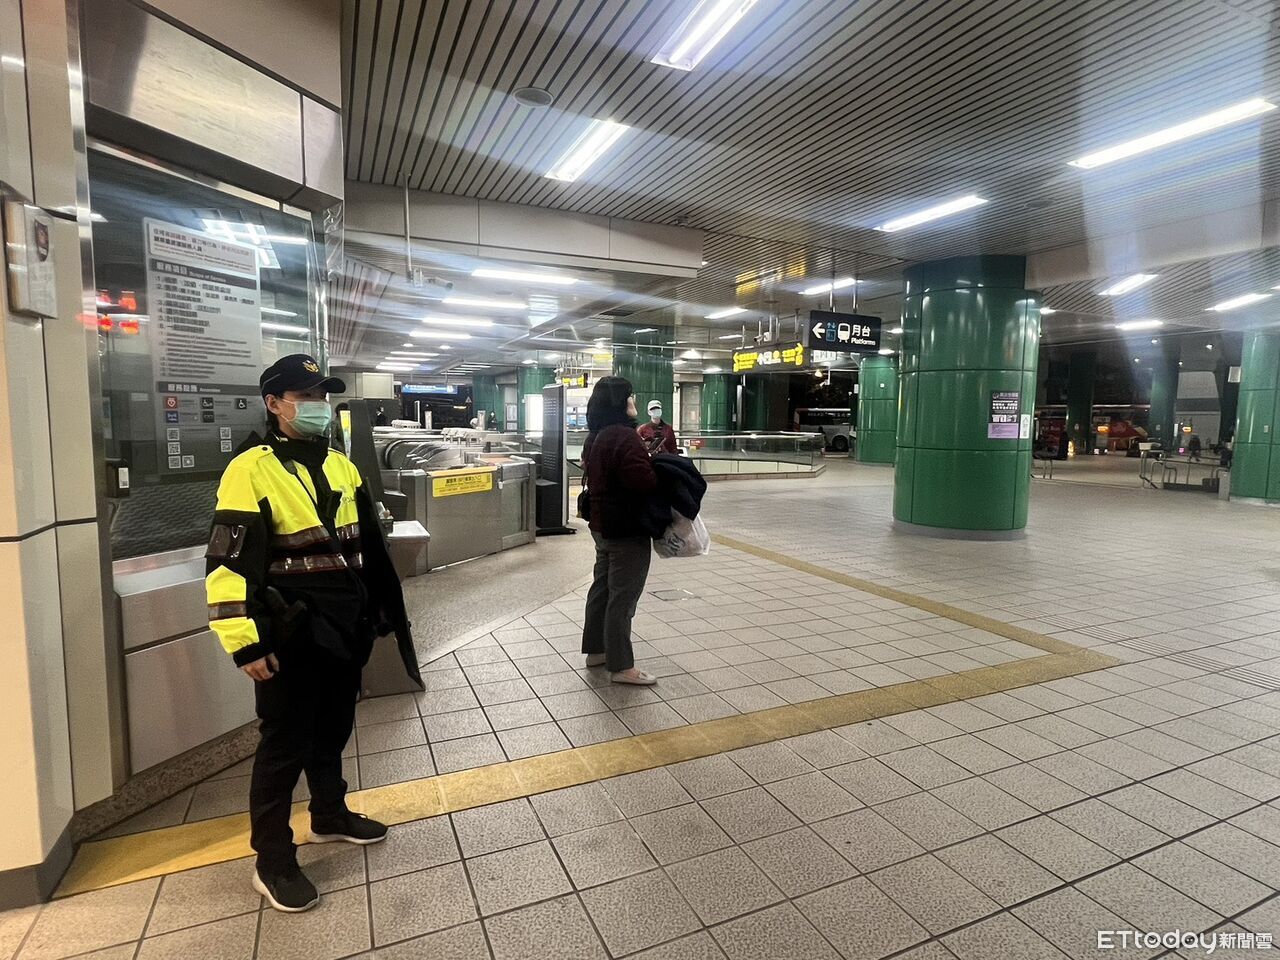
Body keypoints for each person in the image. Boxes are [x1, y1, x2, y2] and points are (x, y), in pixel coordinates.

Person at [205, 354, 420, 913]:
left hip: (342, 631)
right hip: (290, 636)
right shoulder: (249, 469)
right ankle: (273, 860)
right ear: (274, 404)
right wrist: (245, 642)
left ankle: (328, 814)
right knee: (283, 747)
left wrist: (378, 613)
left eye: (322, 396)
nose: (318, 406)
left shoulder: (341, 466)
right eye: (304, 397)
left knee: (332, 729)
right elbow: (227, 563)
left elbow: (366, 549)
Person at [580, 377, 659, 685]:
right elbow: (643, 482)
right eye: (630, 396)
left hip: (601, 526)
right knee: (623, 598)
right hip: (626, 528)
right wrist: (653, 464)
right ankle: (622, 666)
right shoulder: (624, 437)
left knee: (602, 590)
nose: (633, 401)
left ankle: (597, 650)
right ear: (620, 402)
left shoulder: (595, 435)